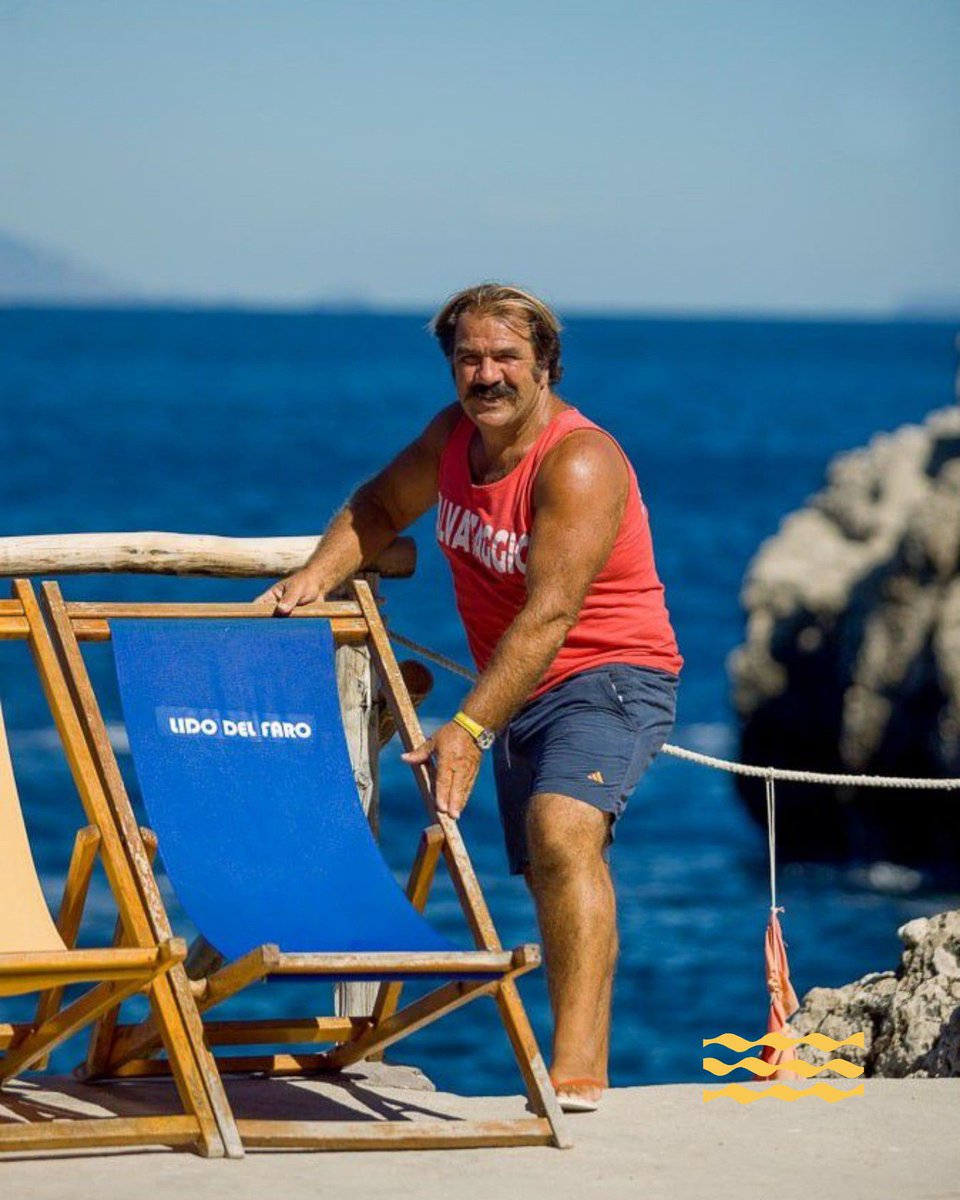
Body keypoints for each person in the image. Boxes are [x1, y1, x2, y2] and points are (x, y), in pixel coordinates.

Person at [256, 283, 682, 1112]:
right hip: (519, 682)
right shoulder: (453, 439)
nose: (486, 376)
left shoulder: (580, 461)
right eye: (469, 358)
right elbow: (380, 506)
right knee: (543, 859)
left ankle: (580, 1071)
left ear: (546, 366)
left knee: (563, 833)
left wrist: (468, 727)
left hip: (611, 672)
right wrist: (311, 578)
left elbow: (552, 611)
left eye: (506, 358)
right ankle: (569, 1057)